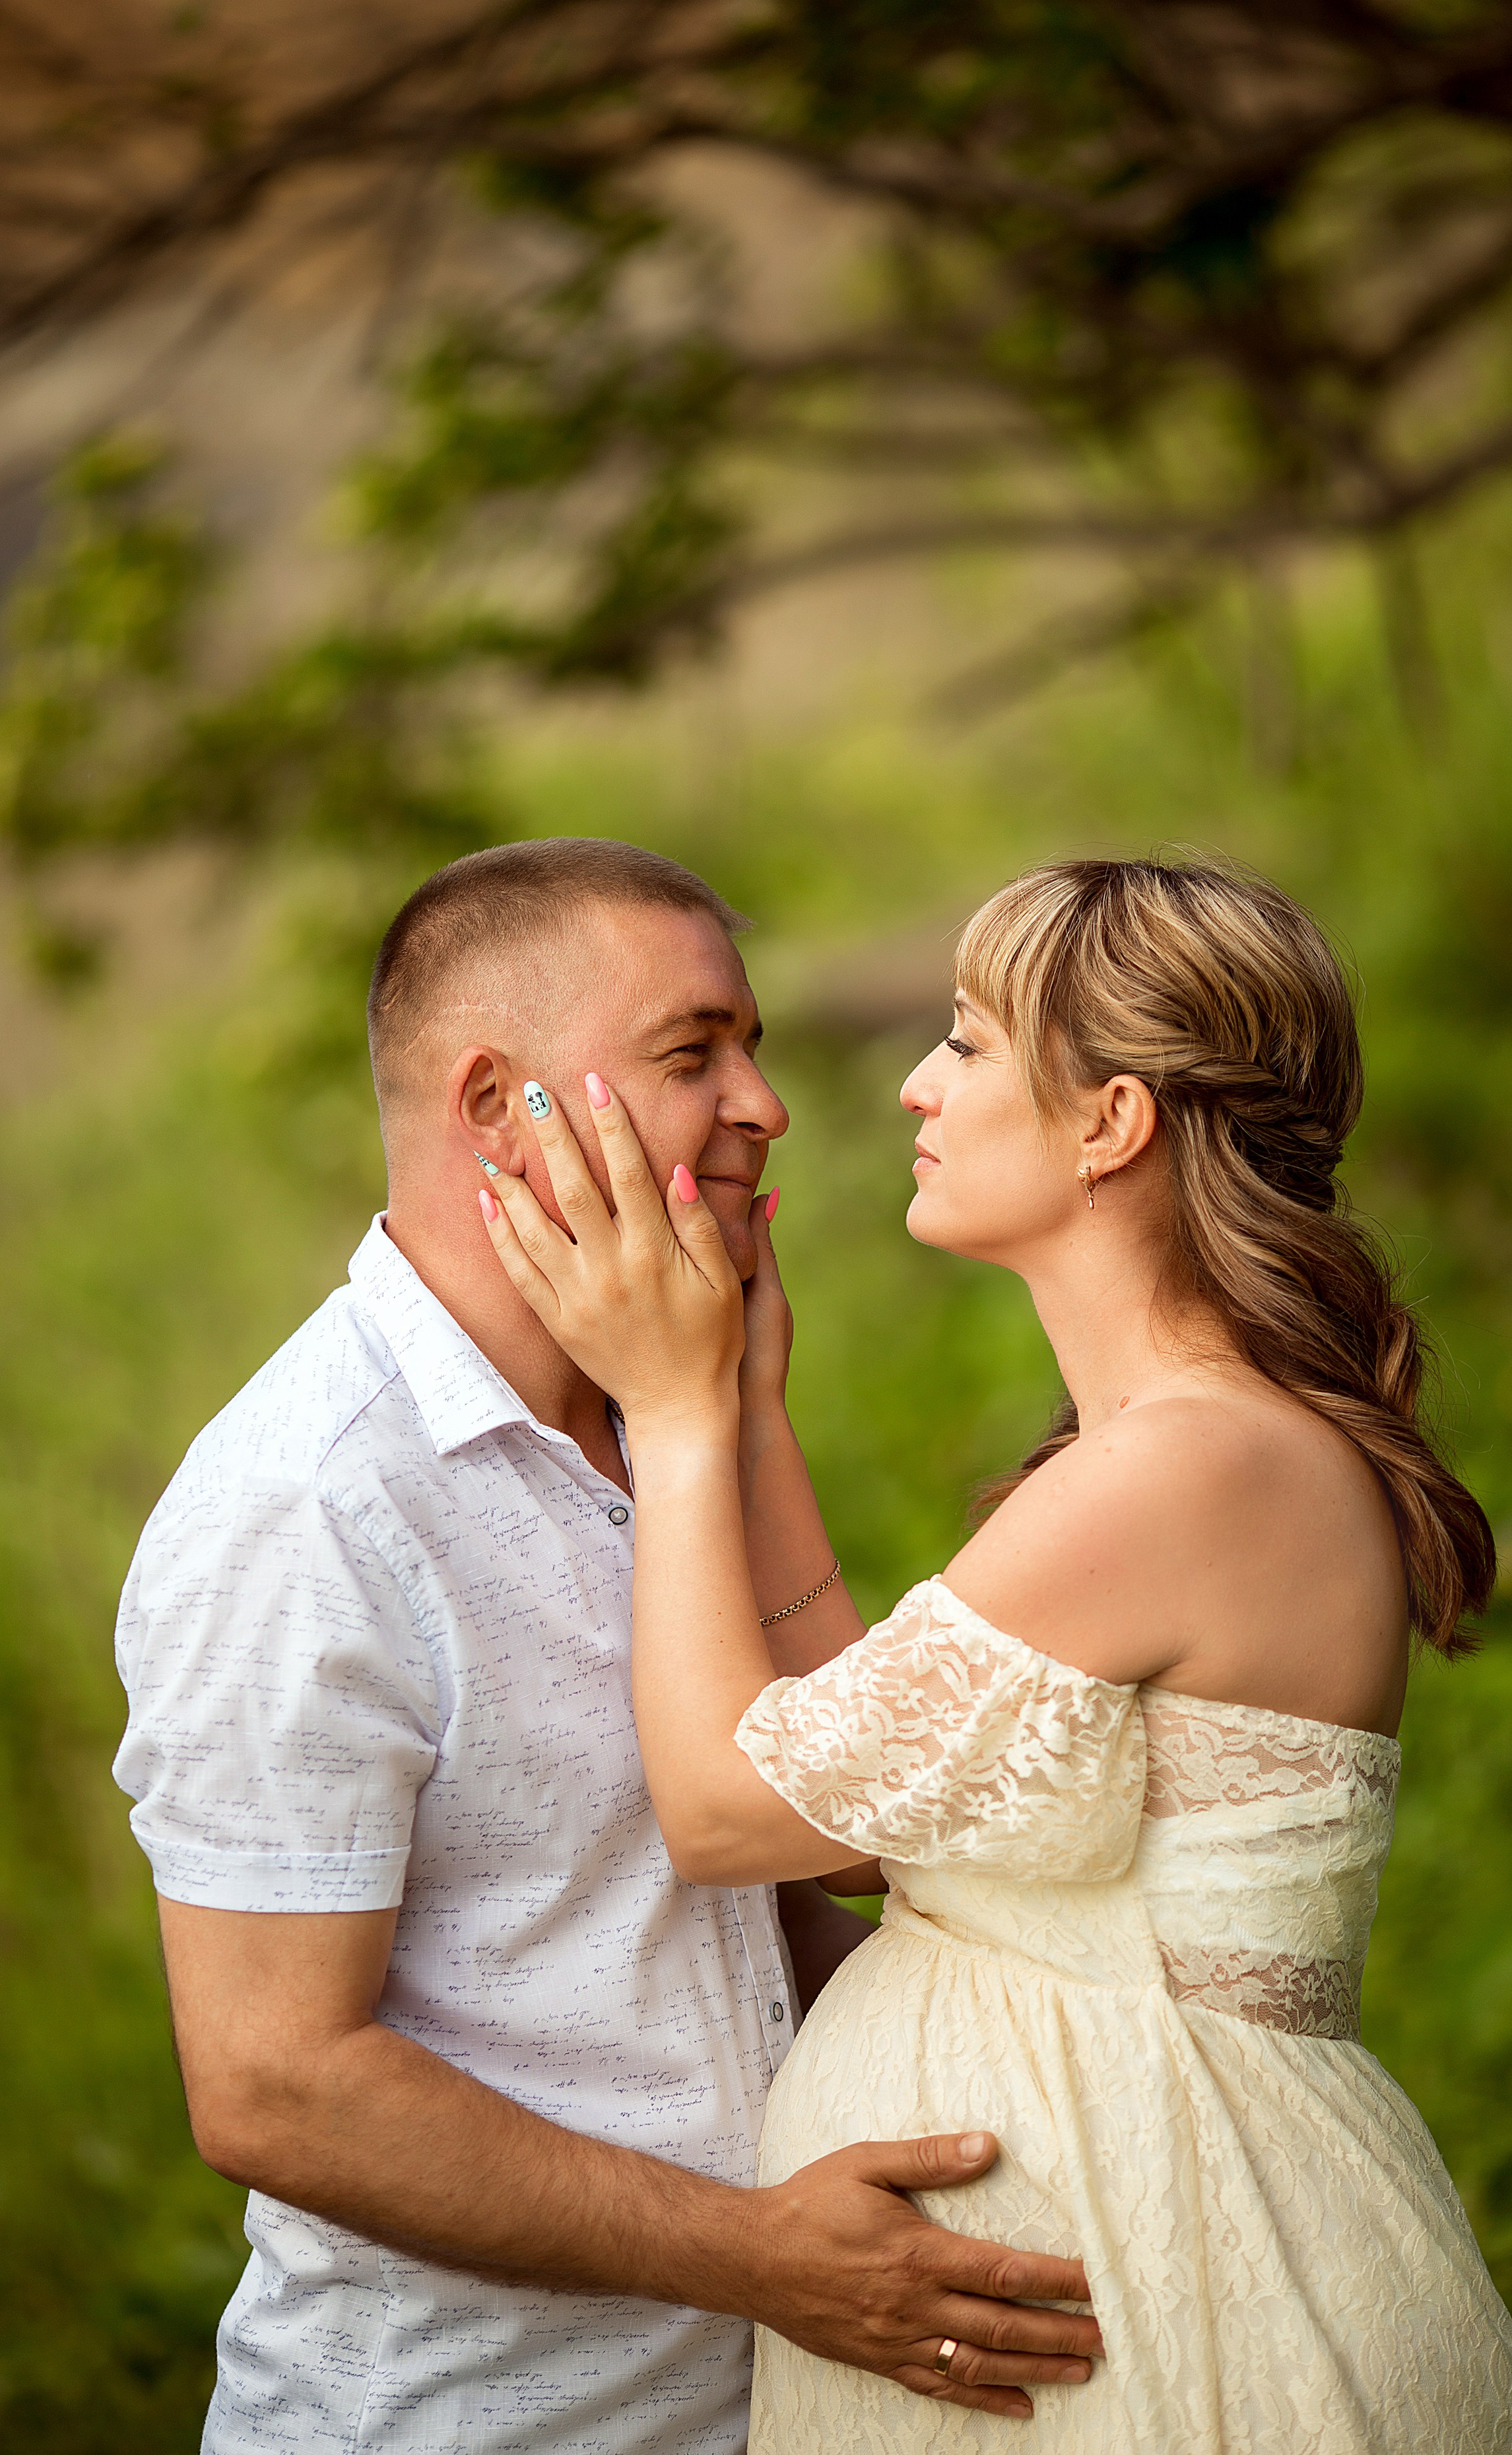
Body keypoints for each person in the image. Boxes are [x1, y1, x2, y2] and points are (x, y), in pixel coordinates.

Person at [478, 853, 1512, 2454]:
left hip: (1179, 2295)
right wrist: (755, 1409)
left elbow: (724, 1815)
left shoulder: (1187, 1468)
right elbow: (854, 1814)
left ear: (1110, 1122)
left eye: (971, 1042)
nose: (916, 1083)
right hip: (1113, 2287)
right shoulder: (1152, 1459)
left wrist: (671, 1409)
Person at [112, 838, 1104, 2454]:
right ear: (498, 1107)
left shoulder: (663, 1416)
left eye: (754, 1047)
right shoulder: (309, 1502)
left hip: (765, 2407)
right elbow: (272, 2082)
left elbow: (771, 1894)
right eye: (691, 1051)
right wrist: (764, 2259)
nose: (764, 1105)